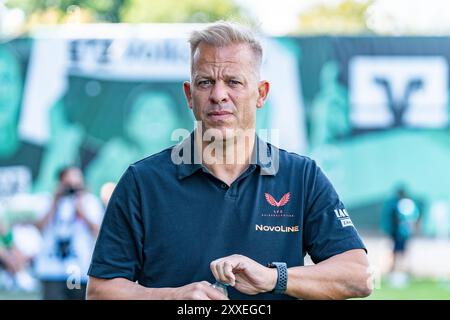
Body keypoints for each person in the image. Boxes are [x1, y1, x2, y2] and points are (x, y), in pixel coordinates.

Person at [87, 21, 372, 300]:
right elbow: (100, 291)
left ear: (261, 94)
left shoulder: (302, 176)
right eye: (205, 82)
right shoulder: (142, 182)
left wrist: (274, 278)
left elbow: (357, 276)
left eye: (233, 82)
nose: (218, 95)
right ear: (189, 95)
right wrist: (172, 297)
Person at [33, 166, 104, 299]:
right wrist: (55, 201)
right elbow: (39, 226)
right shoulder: (48, 200)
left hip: (76, 268)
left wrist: (81, 209)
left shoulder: (89, 202)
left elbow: (98, 231)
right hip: (51, 268)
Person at [381, 185, 420, 280]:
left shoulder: (402, 203)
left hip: (401, 233)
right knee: (398, 252)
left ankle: (400, 271)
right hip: (399, 233)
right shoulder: (399, 203)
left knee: (399, 252)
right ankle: (395, 271)